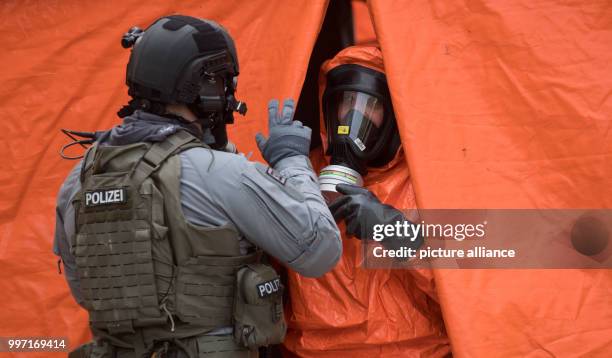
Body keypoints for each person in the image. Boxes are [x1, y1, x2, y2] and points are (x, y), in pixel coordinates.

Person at [53, 15, 341, 358]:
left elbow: (84, 289)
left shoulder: (82, 176)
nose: (227, 94)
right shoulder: (219, 173)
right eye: (221, 82)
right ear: (200, 86)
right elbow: (319, 249)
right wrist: (291, 160)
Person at [283, 45, 451, 357]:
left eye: (370, 105)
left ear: (394, 113)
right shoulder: (303, 172)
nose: (354, 115)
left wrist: (394, 231)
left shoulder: (424, 183)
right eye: (346, 102)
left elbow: (467, 292)